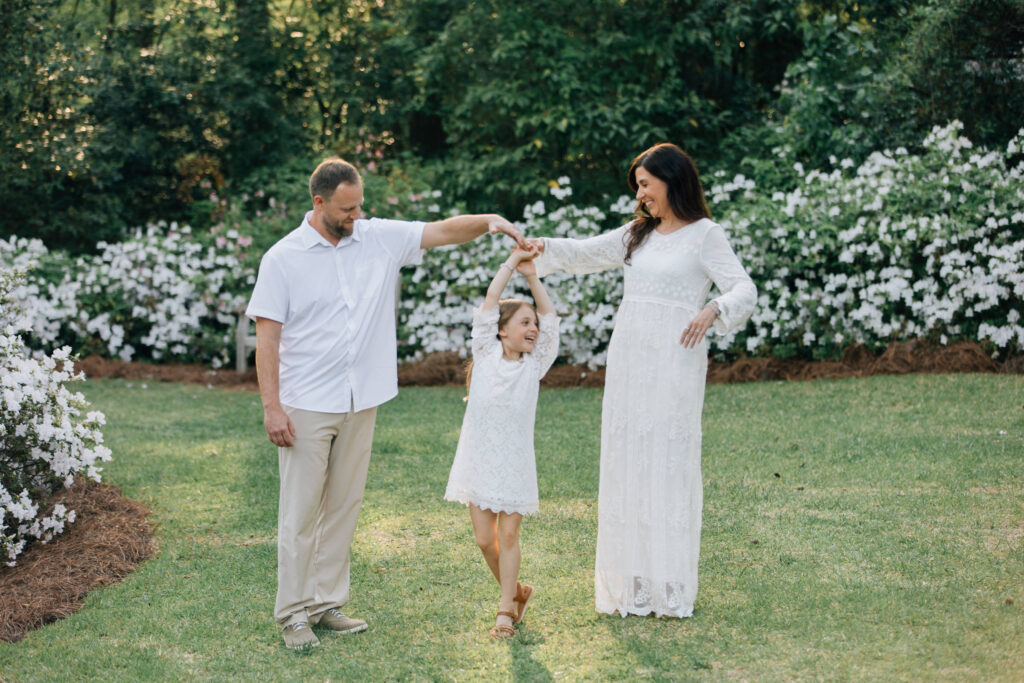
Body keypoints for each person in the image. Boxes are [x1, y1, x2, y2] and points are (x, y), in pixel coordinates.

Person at [246, 157, 526, 650]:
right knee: (300, 512)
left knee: (343, 508)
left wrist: (490, 223)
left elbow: (440, 231)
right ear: (318, 203)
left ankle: (325, 604)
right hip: (306, 403)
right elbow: (266, 339)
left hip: (362, 398)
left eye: (360, 205)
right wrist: (272, 407)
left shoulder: (376, 236)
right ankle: (292, 614)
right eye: (346, 208)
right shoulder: (283, 258)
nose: (357, 215)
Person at [527, 143, 757, 618]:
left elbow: (743, 288)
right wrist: (540, 249)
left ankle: (669, 585)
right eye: (638, 186)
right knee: (629, 456)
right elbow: (585, 253)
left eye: (646, 184)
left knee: (667, 460)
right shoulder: (638, 233)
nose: (640, 194)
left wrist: (714, 308)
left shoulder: (705, 235)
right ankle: (630, 584)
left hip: (675, 361)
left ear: (672, 180)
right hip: (631, 358)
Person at [443, 246, 559, 638]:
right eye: (524, 322)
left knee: (508, 537)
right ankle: (518, 592)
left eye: (534, 326)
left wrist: (532, 277)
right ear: (501, 329)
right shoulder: (486, 353)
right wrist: (511, 264)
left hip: (515, 463)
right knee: (483, 541)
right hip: (479, 459)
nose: (533, 329)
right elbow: (490, 301)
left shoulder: (535, 366)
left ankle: (504, 612)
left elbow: (551, 319)